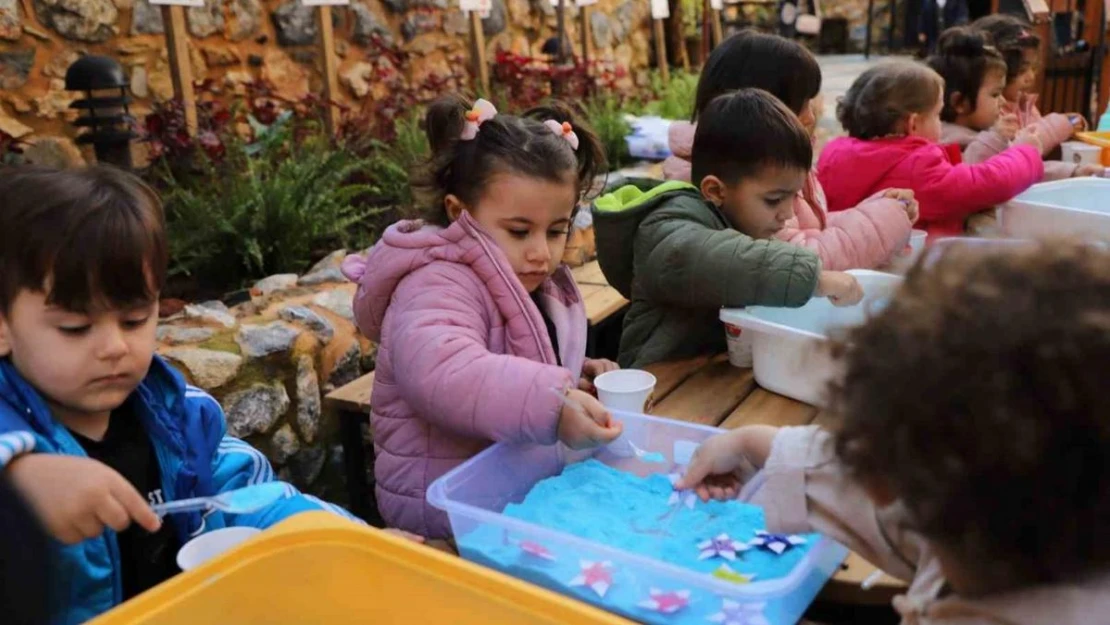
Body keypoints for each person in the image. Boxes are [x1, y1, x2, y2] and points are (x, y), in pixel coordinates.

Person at [0, 166, 363, 625]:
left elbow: (249, 497)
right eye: (76, 327)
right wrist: (19, 477)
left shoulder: (177, 414)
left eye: (134, 320)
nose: (114, 346)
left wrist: (355, 542)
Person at [677, 239, 1110, 624]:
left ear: (879, 478)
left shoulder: (956, 527)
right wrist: (750, 441)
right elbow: (860, 494)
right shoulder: (1015, 531)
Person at [341, 96, 622, 540]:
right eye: (518, 231)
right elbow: (444, 369)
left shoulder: (527, 276)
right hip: (441, 516)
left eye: (556, 230)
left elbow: (519, 353)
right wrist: (553, 403)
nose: (540, 251)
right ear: (459, 213)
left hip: (503, 503)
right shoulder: (436, 280)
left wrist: (576, 378)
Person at [593, 89, 864, 370]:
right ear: (715, 190)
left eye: (793, 197)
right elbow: (722, 259)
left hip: (710, 382)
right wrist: (815, 279)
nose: (788, 213)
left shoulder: (740, 223)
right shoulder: (667, 229)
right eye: (774, 199)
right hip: (660, 391)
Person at [664, 31, 918, 271]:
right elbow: (796, 266)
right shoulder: (738, 180)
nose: (810, 116)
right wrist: (881, 223)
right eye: (802, 104)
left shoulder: (767, 163)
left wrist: (877, 210)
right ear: (757, 108)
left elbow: (810, 229)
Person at [817, 60, 1044, 238]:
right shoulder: (917, 167)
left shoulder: (834, 154)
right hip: (909, 272)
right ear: (913, 123)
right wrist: (1025, 152)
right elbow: (987, 182)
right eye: (937, 114)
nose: (940, 122)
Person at [970, 15, 1102, 179]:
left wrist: (1074, 170)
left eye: (1033, 68)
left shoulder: (1024, 104)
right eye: (1021, 70)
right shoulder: (987, 112)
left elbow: (1032, 162)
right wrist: (1060, 125)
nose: (1030, 77)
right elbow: (1019, 155)